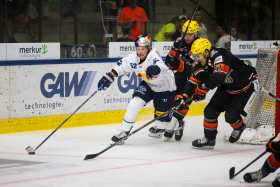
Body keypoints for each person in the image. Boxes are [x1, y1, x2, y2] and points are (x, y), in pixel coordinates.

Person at [174, 38, 259, 149]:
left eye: (198, 56)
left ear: (206, 52)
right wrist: (183, 96)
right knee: (210, 111)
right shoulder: (201, 63)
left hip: (246, 86)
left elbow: (219, 76)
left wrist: (203, 89)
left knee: (231, 116)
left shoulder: (219, 55)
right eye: (195, 56)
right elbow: (192, 81)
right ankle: (209, 139)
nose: (197, 59)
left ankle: (239, 127)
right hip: (228, 86)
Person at [97, 35, 178, 144]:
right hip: (149, 84)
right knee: (133, 104)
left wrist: (156, 68)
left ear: (149, 48)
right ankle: (124, 132)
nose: (140, 52)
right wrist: (109, 76)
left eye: (143, 49)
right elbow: (122, 66)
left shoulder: (153, 56)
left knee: (161, 123)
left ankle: (177, 125)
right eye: (138, 49)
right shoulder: (134, 58)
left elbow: (161, 66)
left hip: (165, 88)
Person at [149, 20, 200, 141]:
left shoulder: (200, 45)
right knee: (168, 95)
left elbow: (198, 68)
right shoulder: (178, 42)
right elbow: (169, 60)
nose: (187, 37)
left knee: (183, 100)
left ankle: (178, 124)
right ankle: (162, 123)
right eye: (185, 34)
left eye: (190, 34)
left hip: (195, 77)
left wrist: (181, 65)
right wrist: (172, 64)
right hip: (181, 75)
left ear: (196, 33)